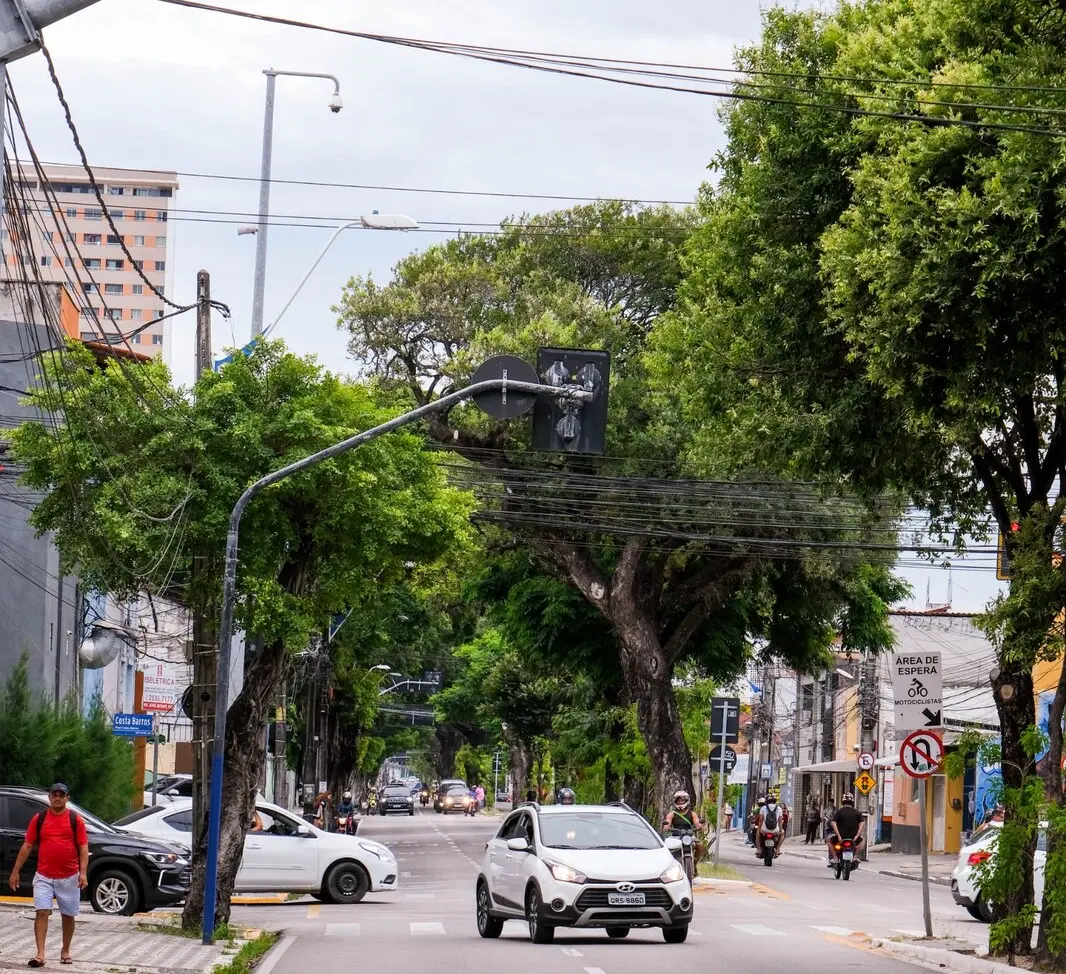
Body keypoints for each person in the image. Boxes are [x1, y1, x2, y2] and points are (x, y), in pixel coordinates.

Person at [8, 783, 89, 967]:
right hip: (44, 876)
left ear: (67, 798)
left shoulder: (75, 819)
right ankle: (40, 954)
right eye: (55, 794)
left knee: (68, 915)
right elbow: (27, 845)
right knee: (42, 912)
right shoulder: (40, 818)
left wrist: (83, 873)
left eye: (62, 794)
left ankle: (65, 950)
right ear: (50, 797)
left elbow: (83, 848)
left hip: (69, 876)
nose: (58, 798)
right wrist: (15, 871)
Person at [663, 790, 705, 862]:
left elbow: (697, 823)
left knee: (700, 845)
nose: (680, 802)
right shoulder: (671, 814)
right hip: (675, 837)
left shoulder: (692, 814)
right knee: (666, 847)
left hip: (689, 836)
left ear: (686, 801)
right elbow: (667, 823)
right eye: (678, 801)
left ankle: (695, 864)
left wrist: (699, 826)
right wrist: (666, 826)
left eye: (682, 801)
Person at [828, 793, 865, 866]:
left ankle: (835, 858)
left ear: (843, 801)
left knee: (828, 840)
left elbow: (833, 823)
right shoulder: (857, 812)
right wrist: (857, 836)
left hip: (841, 837)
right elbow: (862, 824)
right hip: (853, 837)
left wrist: (838, 836)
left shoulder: (839, 812)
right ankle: (855, 857)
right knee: (862, 841)